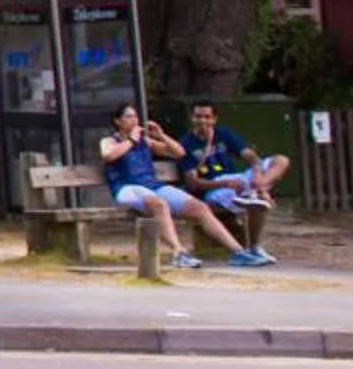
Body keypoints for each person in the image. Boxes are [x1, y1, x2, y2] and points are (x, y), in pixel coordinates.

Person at [99, 104, 269, 269]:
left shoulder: (145, 141)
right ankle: (179, 253)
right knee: (159, 204)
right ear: (117, 121)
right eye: (128, 117)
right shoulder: (109, 140)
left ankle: (239, 252)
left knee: (199, 207)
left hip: (152, 185)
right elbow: (108, 155)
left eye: (135, 116)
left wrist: (161, 135)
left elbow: (178, 152)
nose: (134, 120)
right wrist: (131, 140)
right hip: (126, 188)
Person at [174, 102, 288, 253]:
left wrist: (258, 176)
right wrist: (225, 183)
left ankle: (259, 189)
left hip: (238, 180)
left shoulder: (224, 134)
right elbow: (193, 183)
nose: (203, 121)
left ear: (214, 119)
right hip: (214, 189)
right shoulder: (185, 144)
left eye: (207, 117)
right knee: (256, 203)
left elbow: (251, 157)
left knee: (281, 160)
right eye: (198, 117)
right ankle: (253, 247)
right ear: (192, 118)